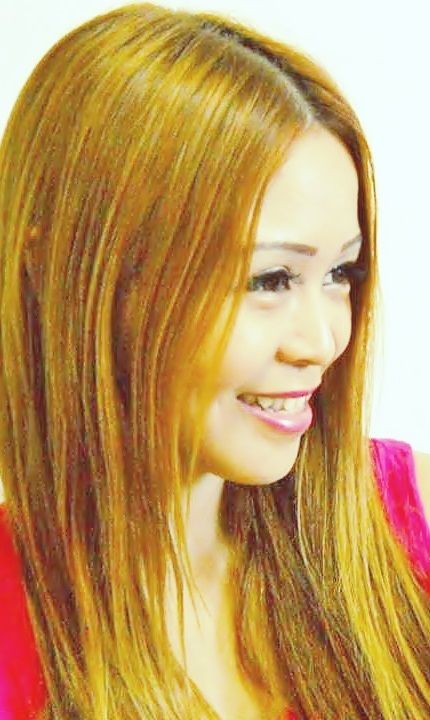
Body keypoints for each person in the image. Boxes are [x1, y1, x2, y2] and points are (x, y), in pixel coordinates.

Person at [0, 4, 429, 719]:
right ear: (62, 273)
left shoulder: (405, 523)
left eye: (340, 274)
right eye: (270, 280)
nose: (323, 341)